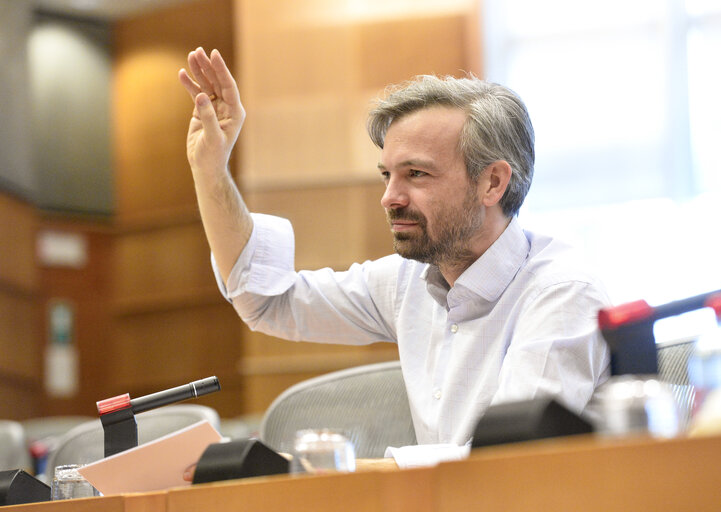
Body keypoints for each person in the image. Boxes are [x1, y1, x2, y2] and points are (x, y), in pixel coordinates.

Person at [178, 47, 611, 469]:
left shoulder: (563, 293)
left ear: (493, 183)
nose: (389, 197)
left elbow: (508, 461)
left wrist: (321, 472)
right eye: (387, 175)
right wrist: (209, 169)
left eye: (416, 174)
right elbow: (268, 301)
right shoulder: (408, 281)